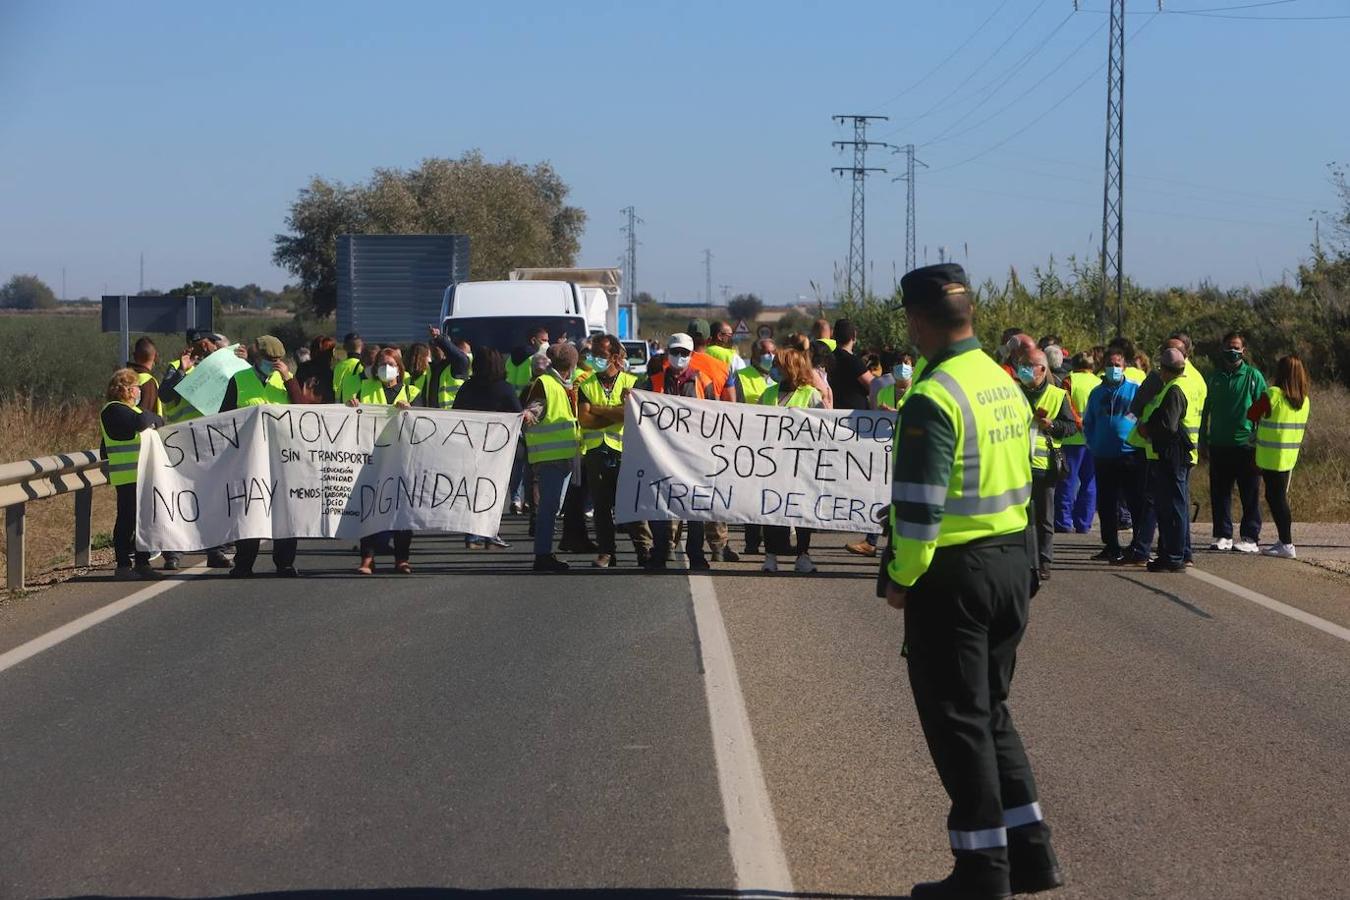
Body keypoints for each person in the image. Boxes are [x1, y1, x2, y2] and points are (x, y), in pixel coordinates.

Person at [883, 264, 1059, 900]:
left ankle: (983, 873)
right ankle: (1031, 856)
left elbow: (920, 509)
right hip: (1013, 560)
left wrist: (900, 577)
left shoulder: (933, 396)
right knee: (991, 716)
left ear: (917, 321)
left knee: (959, 724)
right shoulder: (1003, 383)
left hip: (955, 576)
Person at [221, 336, 304, 578]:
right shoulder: (239, 380)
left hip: (282, 458)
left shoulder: (285, 380)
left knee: (285, 512)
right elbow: (224, 416)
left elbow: (302, 410)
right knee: (250, 510)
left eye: (279, 360)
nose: (275, 364)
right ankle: (244, 563)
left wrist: (289, 378)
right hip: (248, 458)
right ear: (258, 358)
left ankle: (285, 563)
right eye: (270, 360)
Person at [640, 333, 717, 571]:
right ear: (667, 353)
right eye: (675, 352)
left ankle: (696, 554)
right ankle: (660, 552)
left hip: (694, 454)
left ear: (691, 355)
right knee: (660, 505)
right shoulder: (651, 382)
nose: (679, 357)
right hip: (661, 454)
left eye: (684, 353)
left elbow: (715, 415)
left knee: (695, 507)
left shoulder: (704, 381)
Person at [578, 334, 653, 568]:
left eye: (600, 355)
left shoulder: (632, 382)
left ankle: (644, 549)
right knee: (601, 506)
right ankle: (606, 552)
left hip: (625, 452)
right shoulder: (586, 384)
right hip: (595, 452)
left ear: (615, 357)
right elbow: (584, 419)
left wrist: (599, 410)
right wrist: (615, 411)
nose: (595, 360)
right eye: (593, 355)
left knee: (631, 503)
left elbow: (630, 415)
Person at [346, 348, 418, 573]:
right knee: (369, 507)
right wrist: (351, 408)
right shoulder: (364, 389)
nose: (385, 368)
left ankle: (401, 559)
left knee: (402, 512)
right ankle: (367, 558)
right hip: (372, 458)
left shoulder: (412, 392)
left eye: (390, 363)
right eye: (381, 364)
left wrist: (411, 411)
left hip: (402, 459)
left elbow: (423, 423)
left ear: (399, 367)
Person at [846, 351, 919, 559]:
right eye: (899, 364)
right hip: (885, 452)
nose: (902, 368)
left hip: (912, 451)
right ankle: (872, 542)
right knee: (883, 496)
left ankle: (888, 544)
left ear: (913, 367)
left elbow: (919, 417)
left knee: (903, 500)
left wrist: (895, 415)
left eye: (906, 363)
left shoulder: (919, 391)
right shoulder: (884, 392)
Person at [1015, 346, 1078, 580]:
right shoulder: (1012, 392)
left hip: (1045, 467)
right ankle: (1020, 560)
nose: (1023, 370)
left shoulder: (1057, 395)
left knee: (1045, 518)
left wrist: (1052, 425)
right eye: (1021, 366)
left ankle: (1044, 561)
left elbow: (1071, 427)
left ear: (1042, 369)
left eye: (1027, 366)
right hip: (1015, 466)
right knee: (1016, 517)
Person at [1200, 331, 1267, 553]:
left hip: (1246, 446)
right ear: (1221, 349)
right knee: (1220, 493)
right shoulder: (1214, 378)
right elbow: (1204, 412)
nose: (1232, 351)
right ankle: (1222, 535)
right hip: (1219, 444)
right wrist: (1202, 441)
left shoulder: (1253, 376)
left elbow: (1264, 408)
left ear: (1243, 350)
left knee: (1249, 493)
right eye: (1228, 346)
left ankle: (1250, 536)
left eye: (1236, 347)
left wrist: (1258, 439)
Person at [759, 347, 824, 574]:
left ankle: (803, 555)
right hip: (772, 462)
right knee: (770, 508)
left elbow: (823, 429)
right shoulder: (768, 394)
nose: (773, 369)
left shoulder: (811, 395)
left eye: (777, 365)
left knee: (802, 508)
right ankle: (771, 555)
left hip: (802, 464)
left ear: (790, 368)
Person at [451, 346, 520, 549]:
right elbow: (517, 413)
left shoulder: (467, 388)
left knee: (472, 489)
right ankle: (490, 533)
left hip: (470, 445)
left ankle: (472, 535)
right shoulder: (504, 388)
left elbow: (456, 413)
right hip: (497, 449)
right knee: (493, 491)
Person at [522, 342, 582, 572]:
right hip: (551, 458)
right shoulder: (546, 383)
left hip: (564, 456)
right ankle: (543, 555)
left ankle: (545, 553)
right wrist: (528, 414)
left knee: (552, 507)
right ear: (570, 365)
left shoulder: (564, 384)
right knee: (549, 507)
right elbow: (535, 407)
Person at [1083, 348, 1145, 564]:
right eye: (1110, 364)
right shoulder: (1096, 393)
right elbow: (1088, 422)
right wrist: (1093, 443)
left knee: (1134, 501)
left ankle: (1139, 544)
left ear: (1125, 367)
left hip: (1129, 455)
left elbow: (1143, 418)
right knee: (1107, 503)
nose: (1113, 368)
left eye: (1117, 364)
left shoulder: (1135, 390)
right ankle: (1111, 546)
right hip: (1103, 456)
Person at [101, 368, 164, 580]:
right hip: (127, 476)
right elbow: (143, 422)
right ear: (126, 389)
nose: (139, 391)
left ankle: (142, 561)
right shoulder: (113, 410)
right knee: (127, 521)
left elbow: (156, 420)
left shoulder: (132, 411)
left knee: (143, 521)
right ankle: (123, 565)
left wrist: (152, 417)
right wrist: (151, 417)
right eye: (136, 387)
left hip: (142, 475)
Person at [685, 319, 738, 561]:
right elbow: (731, 406)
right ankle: (718, 546)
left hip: (679, 436)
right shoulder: (721, 367)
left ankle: (671, 543)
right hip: (712, 436)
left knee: (679, 488)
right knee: (713, 491)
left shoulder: (671, 362)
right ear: (709, 339)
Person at [1138, 348, 1193, 573]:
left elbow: (1168, 426)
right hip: (1172, 453)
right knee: (1168, 505)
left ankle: (1174, 555)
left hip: (1173, 454)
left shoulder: (1174, 390)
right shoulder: (1181, 385)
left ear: (1165, 370)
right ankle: (1170, 553)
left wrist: (1147, 429)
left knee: (1174, 506)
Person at [1250, 354, 1311, 559]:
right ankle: (1283, 541)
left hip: (1270, 456)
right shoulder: (1304, 400)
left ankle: (1286, 542)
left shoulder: (1273, 394)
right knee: (1276, 497)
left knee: (1276, 498)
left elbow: (1252, 414)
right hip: (1288, 456)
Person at [1055, 352, 1099, 534]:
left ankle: (1064, 522)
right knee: (1090, 482)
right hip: (1095, 439)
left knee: (1068, 481)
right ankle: (1084, 522)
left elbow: (1066, 405)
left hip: (1072, 438)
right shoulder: (1098, 382)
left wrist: (1077, 423)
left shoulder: (1069, 380)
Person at [827, 319, 874, 411]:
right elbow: (872, 385)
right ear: (854, 337)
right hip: (855, 415)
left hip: (835, 413)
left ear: (834, 336)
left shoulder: (828, 358)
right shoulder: (852, 361)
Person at [426, 327, 472, 408]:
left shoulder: (457, 366)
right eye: (432, 344)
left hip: (451, 415)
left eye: (438, 345)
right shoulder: (431, 367)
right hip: (433, 416)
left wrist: (439, 338)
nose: (435, 348)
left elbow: (460, 358)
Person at [507, 325, 550, 391]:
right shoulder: (538, 360)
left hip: (512, 397)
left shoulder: (510, 358)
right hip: (528, 397)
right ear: (533, 340)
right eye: (544, 340)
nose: (547, 343)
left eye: (547, 341)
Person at [128, 336, 162, 417]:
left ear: (134, 356)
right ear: (155, 357)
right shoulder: (149, 382)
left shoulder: (122, 379)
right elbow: (146, 419)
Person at [296, 336, 336, 403]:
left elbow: (296, 391)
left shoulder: (302, 368)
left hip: (303, 409)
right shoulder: (330, 372)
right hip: (326, 410)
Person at [332, 332, 363, 399]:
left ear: (344, 347)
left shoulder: (338, 367)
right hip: (358, 406)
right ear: (362, 346)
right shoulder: (363, 366)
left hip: (340, 407)